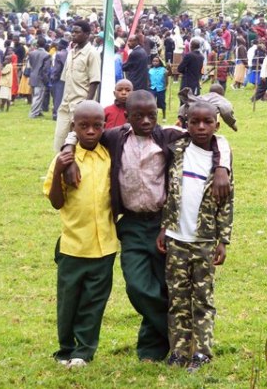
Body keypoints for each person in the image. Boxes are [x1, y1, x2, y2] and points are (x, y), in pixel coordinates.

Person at [61, 90, 231, 363]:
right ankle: (175, 328)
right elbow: (79, 133)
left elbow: (216, 137)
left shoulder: (169, 137)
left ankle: (152, 349)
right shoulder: (114, 137)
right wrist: (68, 150)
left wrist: (222, 167)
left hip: (163, 224)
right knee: (139, 287)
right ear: (127, 117)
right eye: (138, 116)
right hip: (131, 225)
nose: (146, 121)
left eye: (151, 115)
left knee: (162, 284)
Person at [156, 101, 234, 372]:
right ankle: (178, 350)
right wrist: (164, 228)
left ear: (217, 124)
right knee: (177, 298)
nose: (201, 127)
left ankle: (202, 352)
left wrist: (223, 240)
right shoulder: (177, 150)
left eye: (207, 122)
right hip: (176, 239)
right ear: (185, 124)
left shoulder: (221, 160)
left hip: (203, 241)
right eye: (194, 122)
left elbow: (226, 204)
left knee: (202, 299)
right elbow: (169, 192)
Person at [44, 100, 117, 369]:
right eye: (83, 126)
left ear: (103, 127)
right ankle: (66, 348)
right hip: (73, 246)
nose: (90, 131)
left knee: (94, 303)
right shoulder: (64, 158)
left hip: (105, 247)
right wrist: (61, 170)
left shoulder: (108, 155)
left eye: (96, 126)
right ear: (73, 126)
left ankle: (84, 351)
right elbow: (56, 202)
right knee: (68, 303)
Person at [53, 20, 101, 151]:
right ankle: (59, 170)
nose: (73, 35)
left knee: (79, 144)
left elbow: (95, 81)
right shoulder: (71, 52)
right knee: (60, 142)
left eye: (77, 32)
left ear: (86, 34)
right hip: (66, 105)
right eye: (72, 32)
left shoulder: (92, 53)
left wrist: (86, 107)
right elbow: (65, 80)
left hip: (80, 105)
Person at [28, 36, 51, 119]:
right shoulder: (47, 55)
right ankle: (33, 114)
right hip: (40, 77)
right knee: (38, 96)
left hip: (32, 75)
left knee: (35, 95)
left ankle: (38, 111)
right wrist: (46, 81)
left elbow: (31, 64)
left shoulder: (31, 53)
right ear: (45, 45)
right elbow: (45, 69)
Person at [51, 39, 69, 120]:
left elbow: (57, 68)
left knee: (57, 97)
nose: (57, 46)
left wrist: (53, 77)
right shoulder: (69, 53)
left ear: (62, 45)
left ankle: (56, 114)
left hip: (59, 78)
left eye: (59, 45)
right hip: (67, 78)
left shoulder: (59, 54)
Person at [149, 56, 168, 121]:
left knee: (161, 102)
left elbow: (167, 78)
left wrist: (166, 86)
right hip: (152, 88)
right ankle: (154, 115)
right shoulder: (150, 70)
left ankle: (164, 116)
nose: (155, 62)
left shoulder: (163, 70)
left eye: (156, 61)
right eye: (153, 61)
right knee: (152, 102)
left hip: (161, 88)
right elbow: (148, 79)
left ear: (159, 62)